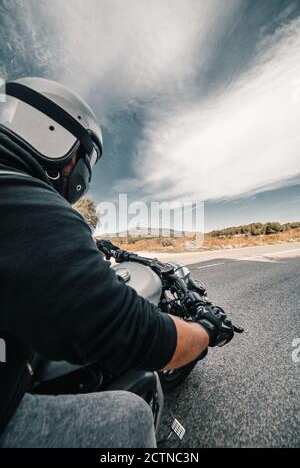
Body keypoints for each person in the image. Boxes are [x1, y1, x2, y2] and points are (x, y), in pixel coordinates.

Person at [0, 78, 236, 448]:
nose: (82, 174)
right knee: (128, 417)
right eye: (85, 158)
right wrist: (205, 330)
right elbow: (131, 332)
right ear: (51, 134)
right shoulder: (24, 199)